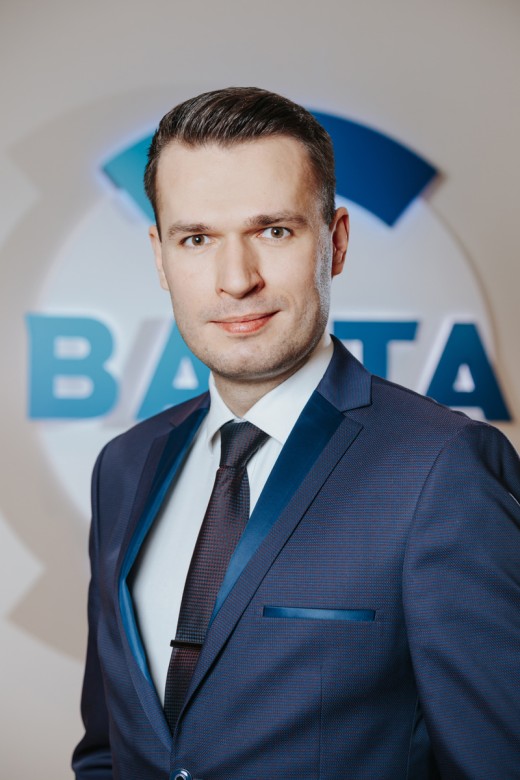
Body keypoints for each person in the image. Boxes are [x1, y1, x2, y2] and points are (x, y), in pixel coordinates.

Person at [72, 87, 520, 780]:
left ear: (334, 242)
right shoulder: (124, 464)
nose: (236, 280)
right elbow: (110, 749)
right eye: (197, 239)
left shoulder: (442, 468)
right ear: (160, 257)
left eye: (273, 231)